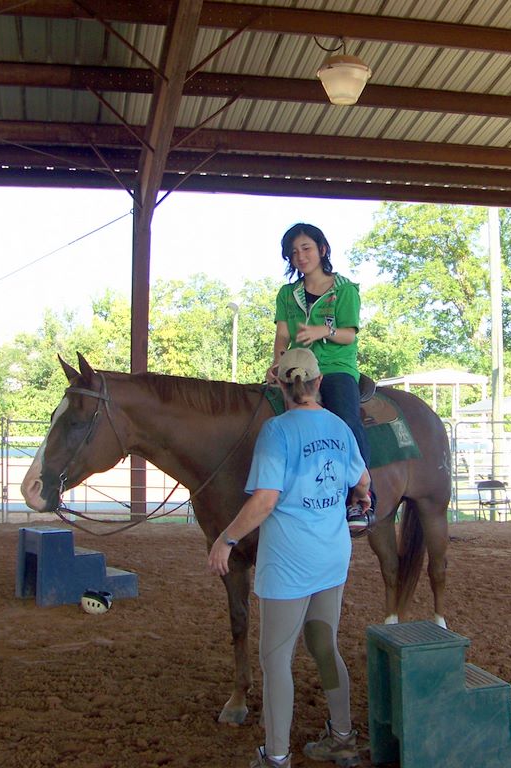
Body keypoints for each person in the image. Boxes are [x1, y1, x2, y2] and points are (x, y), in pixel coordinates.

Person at [208, 348, 370, 768]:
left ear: (280, 384)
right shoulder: (340, 426)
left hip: (289, 562)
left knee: (276, 657)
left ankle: (276, 756)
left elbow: (265, 500)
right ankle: (343, 738)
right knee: (324, 645)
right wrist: (362, 495)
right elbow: (362, 479)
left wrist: (226, 538)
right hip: (332, 555)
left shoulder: (276, 431)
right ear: (319, 382)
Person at [267, 222, 373, 536]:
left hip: (335, 367)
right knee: (264, 414)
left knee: (347, 420)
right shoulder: (287, 294)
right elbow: (282, 335)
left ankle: (361, 497)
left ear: (322, 250)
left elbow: (349, 335)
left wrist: (321, 331)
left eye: (306, 248)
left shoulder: (345, 289)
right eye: (294, 252)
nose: (300, 256)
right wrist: (277, 363)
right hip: (297, 365)